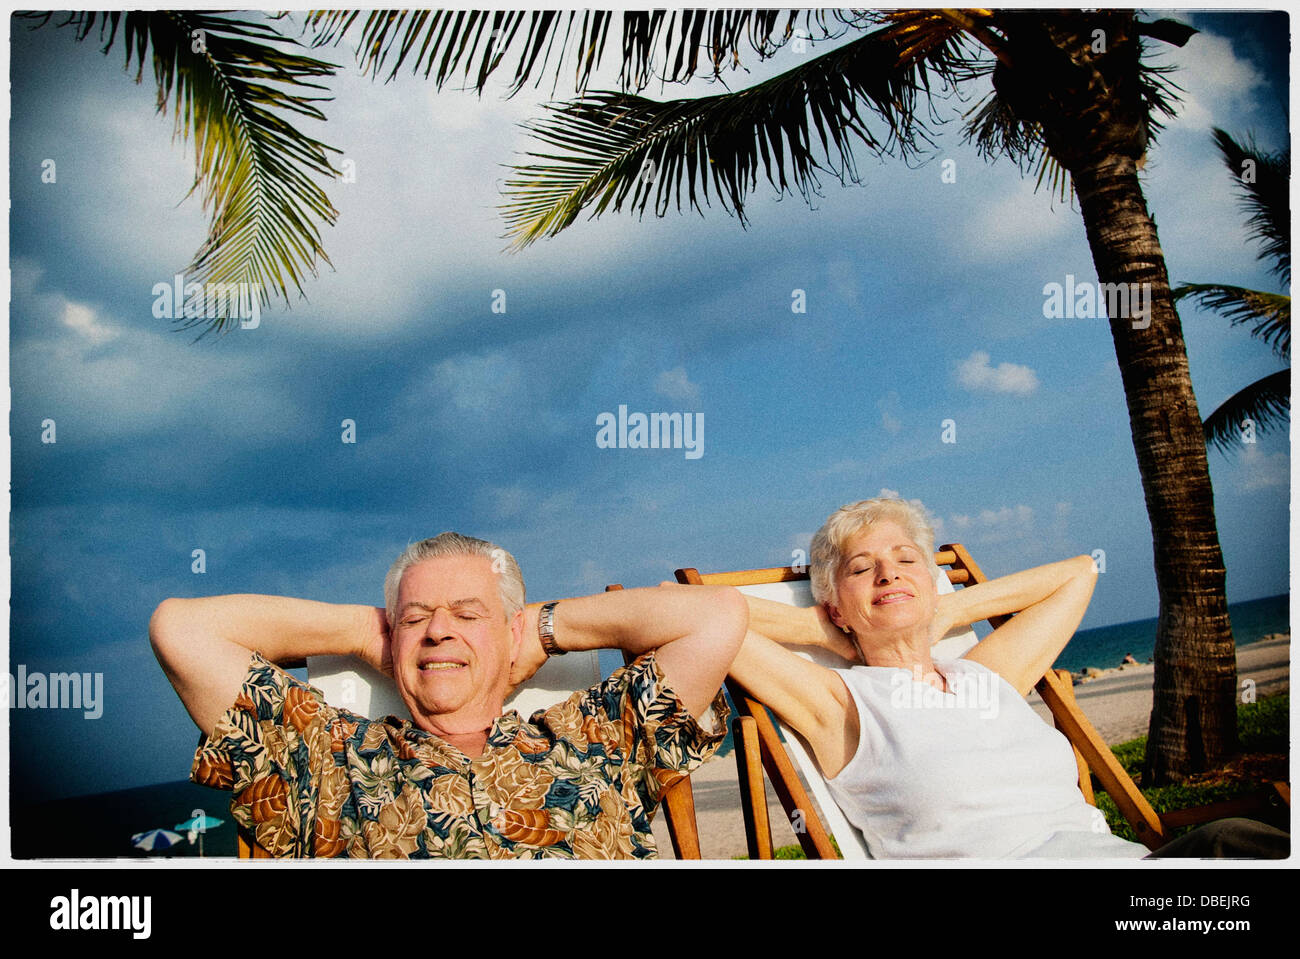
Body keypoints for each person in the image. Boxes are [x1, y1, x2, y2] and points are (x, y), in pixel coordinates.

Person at [714, 495, 1287, 859]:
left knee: (1234, 841)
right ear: (834, 606)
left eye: (907, 559)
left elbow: (1079, 573)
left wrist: (947, 609)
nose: (888, 572)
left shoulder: (985, 677)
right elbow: (688, 610)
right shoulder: (840, 705)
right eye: (862, 570)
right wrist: (813, 630)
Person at [149, 532, 746, 858]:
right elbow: (182, 629)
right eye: (417, 619)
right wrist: (365, 630)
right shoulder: (323, 756)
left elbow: (717, 617)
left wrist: (539, 630)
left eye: (466, 614)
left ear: (510, 631)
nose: (438, 630)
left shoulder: (594, 735)